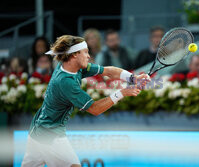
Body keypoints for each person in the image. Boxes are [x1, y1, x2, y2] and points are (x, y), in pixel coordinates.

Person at [21, 35, 150, 167]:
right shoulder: (66, 82)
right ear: (75, 55)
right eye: (86, 52)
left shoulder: (70, 66)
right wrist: (122, 92)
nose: (88, 56)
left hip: (37, 131)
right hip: (50, 135)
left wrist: (133, 79)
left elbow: (108, 71)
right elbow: (95, 109)